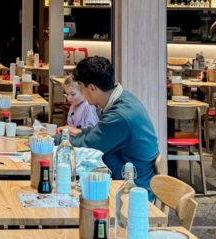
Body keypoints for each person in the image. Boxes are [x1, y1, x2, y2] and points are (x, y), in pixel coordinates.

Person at [61, 56, 159, 190]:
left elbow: (89, 145)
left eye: (82, 87)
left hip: (133, 188)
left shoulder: (119, 116)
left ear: (92, 88)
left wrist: (53, 140)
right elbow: (101, 132)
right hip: (134, 176)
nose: (82, 92)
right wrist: (80, 132)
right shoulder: (124, 97)